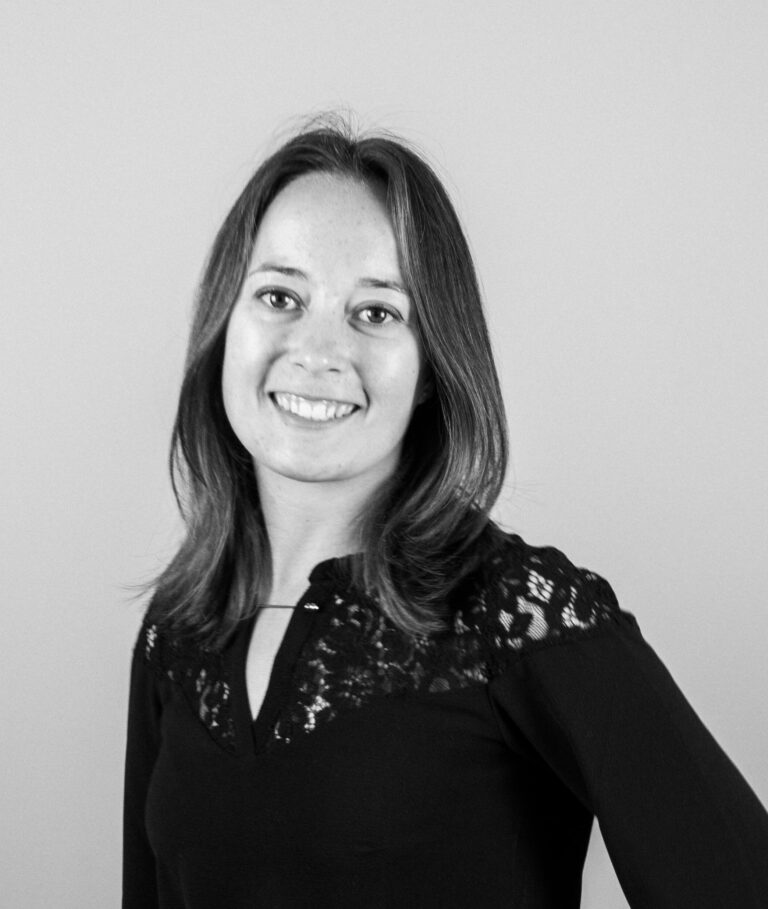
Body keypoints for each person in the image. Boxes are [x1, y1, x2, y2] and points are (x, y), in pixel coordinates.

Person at [123, 116, 768, 908]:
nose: (317, 350)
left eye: (376, 312)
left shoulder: (516, 614)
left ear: (430, 365)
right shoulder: (179, 629)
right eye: (280, 296)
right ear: (226, 323)